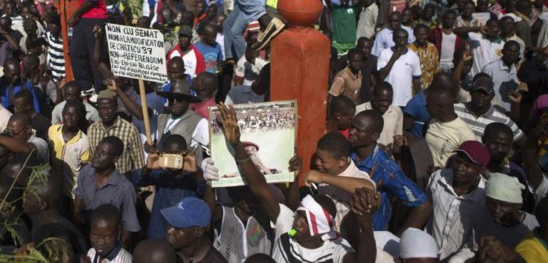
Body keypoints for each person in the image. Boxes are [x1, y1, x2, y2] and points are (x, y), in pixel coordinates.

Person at [214, 103, 379, 263]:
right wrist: (237, 145)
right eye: (300, 214)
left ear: (321, 229)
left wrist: (365, 226)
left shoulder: (335, 251)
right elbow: (261, 189)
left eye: (306, 220)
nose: (297, 222)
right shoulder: (289, 231)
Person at [349, 110, 431, 232]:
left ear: (375, 136)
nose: (351, 132)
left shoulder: (386, 169)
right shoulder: (348, 152)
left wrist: (398, 241)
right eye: (352, 127)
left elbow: (423, 205)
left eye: (358, 130)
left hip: (372, 236)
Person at [424, 140, 489, 259]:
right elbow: (425, 211)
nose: (460, 168)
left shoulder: (484, 196)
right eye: (458, 161)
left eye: (468, 166)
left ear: (480, 169)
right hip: (428, 254)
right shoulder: (438, 178)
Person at [73, 136, 140, 248]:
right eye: (97, 150)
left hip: (108, 246)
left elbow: (128, 231)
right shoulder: (86, 173)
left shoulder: (125, 188)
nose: (97, 155)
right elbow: (78, 204)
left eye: (103, 153)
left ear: (115, 159)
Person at [67, 0, 109, 93]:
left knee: (95, 56)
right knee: (76, 51)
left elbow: (91, 0)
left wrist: (74, 15)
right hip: (84, 18)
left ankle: (100, 89)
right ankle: (85, 86)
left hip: (95, 18)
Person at [87, 90, 144, 174]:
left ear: (116, 107)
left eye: (109, 108)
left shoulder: (129, 130)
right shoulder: (92, 129)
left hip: (122, 182)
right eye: (102, 108)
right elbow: (91, 159)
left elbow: (138, 162)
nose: (106, 112)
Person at [163, 197, 228, 263]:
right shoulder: (161, 254)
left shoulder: (216, 261)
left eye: (177, 228)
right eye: (169, 224)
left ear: (198, 232)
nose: (169, 231)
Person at [424, 88, 476, 169]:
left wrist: (443, 171)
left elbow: (468, 165)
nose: (426, 108)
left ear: (440, 107)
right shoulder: (432, 121)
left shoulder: (465, 134)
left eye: (428, 105)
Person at [376, 29, 421, 107]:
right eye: (399, 38)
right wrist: (393, 58)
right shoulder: (385, 53)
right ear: (393, 39)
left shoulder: (413, 56)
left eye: (404, 38)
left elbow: (416, 79)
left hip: (406, 101)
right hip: (388, 100)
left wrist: (417, 99)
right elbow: (381, 75)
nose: (402, 40)